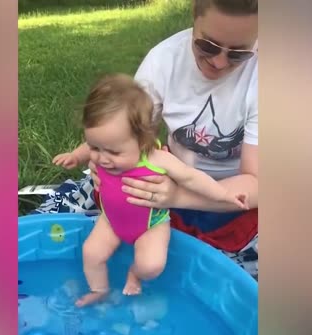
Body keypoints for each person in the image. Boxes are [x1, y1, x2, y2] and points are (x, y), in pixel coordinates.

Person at [53, 74, 249, 306]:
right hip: (111, 220)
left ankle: (134, 273)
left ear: (142, 140)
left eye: (114, 152)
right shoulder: (106, 144)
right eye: (96, 148)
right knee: (91, 253)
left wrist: (224, 195)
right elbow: (89, 146)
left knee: (151, 266)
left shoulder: (156, 159)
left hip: (150, 225)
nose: (102, 159)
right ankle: (99, 290)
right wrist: (76, 156)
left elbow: (193, 178)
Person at [94, 0, 259, 274]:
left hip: (235, 197)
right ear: (194, 16)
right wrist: (104, 157)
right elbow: (127, 136)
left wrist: (179, 196)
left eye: (238, 54)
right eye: (207, 46)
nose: (219, 62)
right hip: (172, 176)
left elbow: (257, 184)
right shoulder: (164, 60)